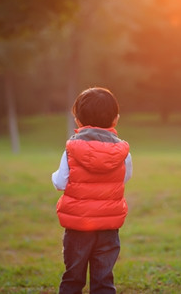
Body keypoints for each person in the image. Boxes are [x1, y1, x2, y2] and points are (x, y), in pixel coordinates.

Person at [52, 87, 132, 294]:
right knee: (103, 280)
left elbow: (61, 182)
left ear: (78, 120)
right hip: (108, 226)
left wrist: (54, 176)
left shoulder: (71, 150)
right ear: (116, 119)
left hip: (78, 227)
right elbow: (125, 178)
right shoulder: (123, 152)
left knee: (73, 278)